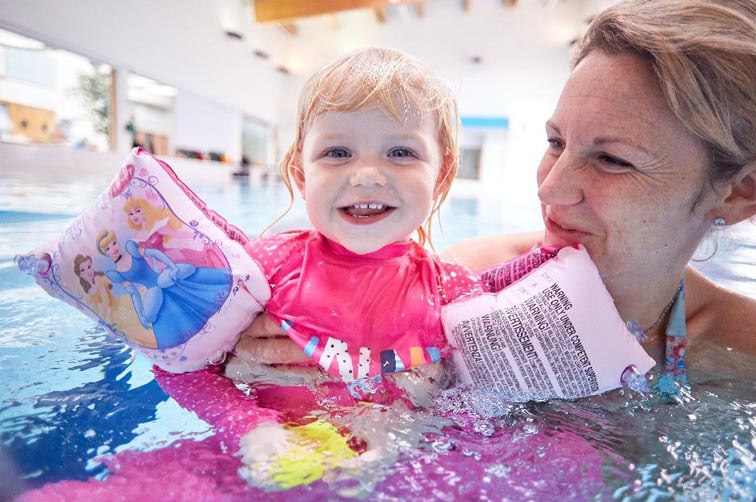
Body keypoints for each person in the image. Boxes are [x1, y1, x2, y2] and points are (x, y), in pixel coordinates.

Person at [234, 0, 756, 384]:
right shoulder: (469, 286)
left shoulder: (745, 351)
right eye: (556, 142)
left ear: (737, 194)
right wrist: (241, 350)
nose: (550, 189)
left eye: (612, 160)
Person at [231, 47, 484, 398]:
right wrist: (252, 430)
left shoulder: (455, 295)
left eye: (400, 153)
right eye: (337, 153)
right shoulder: (264, 268)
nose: (367, 176)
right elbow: (180, 365)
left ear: (441, 177)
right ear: (301, 175)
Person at [96, 229, 233, 350]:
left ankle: (182, 275)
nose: (113, 249)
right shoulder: (116, 273)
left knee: (166, 281)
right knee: (151, 311)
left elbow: (155, 253)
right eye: (107, 248)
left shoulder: (131, 249)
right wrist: (141, 316)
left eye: (113, 243)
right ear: (105, 253)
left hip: (163, 278)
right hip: (153, 291)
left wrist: (172, 266)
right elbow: (134, 293)